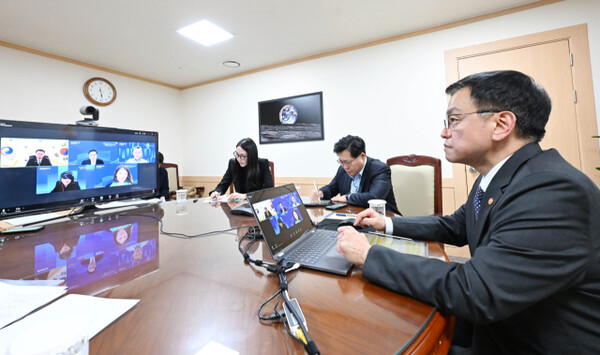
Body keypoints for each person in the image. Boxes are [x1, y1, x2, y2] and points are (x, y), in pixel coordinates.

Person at [336, 70, 600, 354]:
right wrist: (386, 224)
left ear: (501, 124)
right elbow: (454, 226)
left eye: (454, 120)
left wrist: (369, 255)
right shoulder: (498, 177)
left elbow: (475, 290)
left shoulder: (552, 189)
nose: (444, 131)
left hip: (526, 341)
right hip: (502, 321)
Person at [310, 135, 400, 215]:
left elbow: (374, 197)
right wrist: (321, 193)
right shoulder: (342, 170)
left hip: (384, 219)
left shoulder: (379, 169)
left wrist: (347, 198)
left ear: (362, 156)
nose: (345, 167)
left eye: (348, 162)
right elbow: (332, 188)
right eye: (341, 162)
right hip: (352, 218)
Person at [209, 138, 274, 201]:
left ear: (251, 156)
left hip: (256, 204)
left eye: (243, 156)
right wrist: (216, 192)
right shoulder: (233, 164)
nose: (239, 159)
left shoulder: (262, 164)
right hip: (238, 205)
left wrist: (246, 196)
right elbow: (223, 184)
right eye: (237, 155)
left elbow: (269, 189)